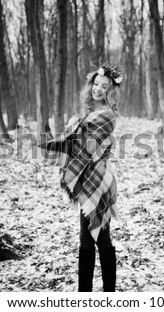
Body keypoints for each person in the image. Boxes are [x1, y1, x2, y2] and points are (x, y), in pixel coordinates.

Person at [41, 64, 123, 292]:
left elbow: (84, 143)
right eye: (96, 84)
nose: (98, 89)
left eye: (104, 87)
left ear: (110, 91)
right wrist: (55, 143)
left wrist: (63, 138)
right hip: (83, 180)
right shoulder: (83, 115)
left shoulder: (107, 116)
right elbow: (74, 139)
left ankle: (110, 295)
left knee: (102, 239)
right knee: (85, 241)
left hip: (98, 181)